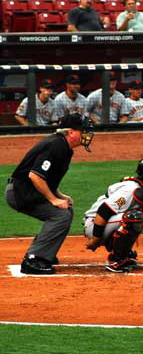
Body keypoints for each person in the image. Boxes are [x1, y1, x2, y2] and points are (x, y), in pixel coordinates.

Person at [5, 113, 94, 275]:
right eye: (83, 131)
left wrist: (60, 195)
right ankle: (33, 259)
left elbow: (47, 178)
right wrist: (53, 200)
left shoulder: (63, 147)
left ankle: (45, 252)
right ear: (71, 132)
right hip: (20, 194)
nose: (87, 135)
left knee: (66, 210)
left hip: (27, 191)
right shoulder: (56, 145)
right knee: (60, 215)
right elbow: (35, 175)